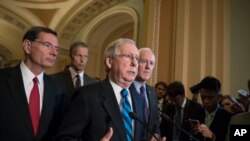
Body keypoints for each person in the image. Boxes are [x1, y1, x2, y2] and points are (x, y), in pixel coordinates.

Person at [56, 38, 165, 141]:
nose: (134, 63)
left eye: (136, 58)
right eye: (128, 56)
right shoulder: (87, 96)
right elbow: (64, 138)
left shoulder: (140, 100)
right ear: (109, 61)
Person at [0, 26, 67, 141]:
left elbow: (60, 131)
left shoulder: (58, 89)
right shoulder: (2, 79)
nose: (54, 53)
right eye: (47, 45)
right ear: (27, 46)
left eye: (57, 48)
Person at [132, 48, 161, 140]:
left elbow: (155, 121)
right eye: (144, 61)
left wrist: (156, 135)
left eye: (151, 63)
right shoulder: (125, 89)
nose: (148, 67)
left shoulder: (152, 92)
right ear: (135, 63)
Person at [197, 76, 233, 141]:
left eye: (210, 98)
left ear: (219, 97)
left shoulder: (229, 118)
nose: (206, 101)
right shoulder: (196, 113)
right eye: (203, 97)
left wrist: (213, 136)